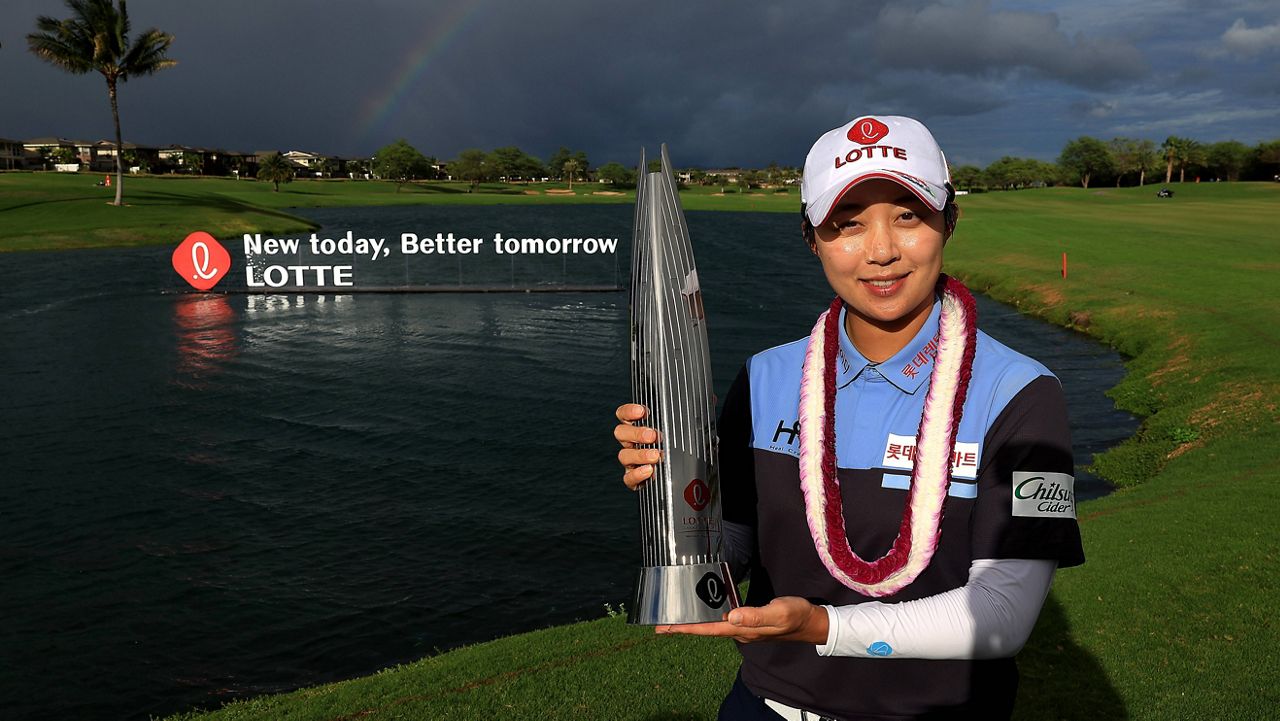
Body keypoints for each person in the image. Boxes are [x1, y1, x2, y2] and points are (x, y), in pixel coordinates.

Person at [613, 115, 1084, 720]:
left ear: (951, 221)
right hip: (766, 708)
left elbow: (1001, 618)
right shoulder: (763, 378)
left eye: (908, 216)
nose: (882, 250)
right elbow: (731, 552)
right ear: (812, 239)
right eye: (848, 225)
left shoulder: (1020, 393)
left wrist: (819, 626)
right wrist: (676, 495)